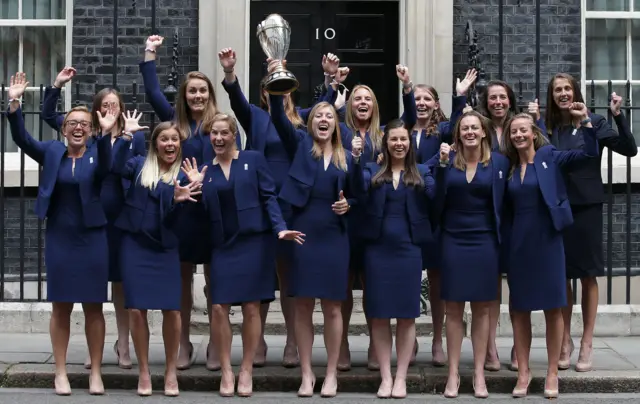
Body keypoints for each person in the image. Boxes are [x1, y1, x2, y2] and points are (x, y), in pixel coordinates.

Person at [216, 48, 339, 367]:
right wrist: (230, 73)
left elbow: (326, 110)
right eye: (272, 87)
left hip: (293, 203)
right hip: (258, 199)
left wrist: (328, 78)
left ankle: (291, 342)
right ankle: (256, 344)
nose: (278, 92)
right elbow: (235, 101)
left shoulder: (301, 118)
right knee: (260, 273)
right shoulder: (255, 116)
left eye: (283, 87)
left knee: (288, 275)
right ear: (266, 92)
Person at [182, 113, 304, 396]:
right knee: (218, 308)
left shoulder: (253, 160)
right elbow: (200, 216)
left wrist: (280, 229)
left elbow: (268, 197)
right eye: (214, 133)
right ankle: (226, 371)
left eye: (224, 133)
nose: (219, 138)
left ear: (234, 135)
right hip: (223, 247)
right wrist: (195, 189)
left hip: (255, 244)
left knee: (252, 308)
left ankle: (246, 370)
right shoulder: (204, 171)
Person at [6, 72, 113, 396]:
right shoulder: (53, 152)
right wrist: (14, 102)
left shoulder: (98, 152)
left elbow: (108, 168)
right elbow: (23, 139)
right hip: (60, 238)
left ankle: (95, 371)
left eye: (84, 123)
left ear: (91, 129)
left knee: (94, 307)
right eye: (72, 124)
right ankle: (61, 372)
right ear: (64, 130)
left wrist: (107, 135)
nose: (78, 127)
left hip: (92, 237)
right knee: (61, 306)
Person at [141, 34, 240, 370]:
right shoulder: (175, 124)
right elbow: (153, 92)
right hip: (182, 210)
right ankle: (182, 343)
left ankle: (215, 342)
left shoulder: (220, 127)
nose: (197, 96)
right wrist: (150, 54)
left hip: (212, 211)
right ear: (185, 97)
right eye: (192, 91)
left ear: (210, 95)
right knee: (181, 279)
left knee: (216, 279)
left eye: (203, 91)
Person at [41, 66, 147, 370]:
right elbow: (50, 117)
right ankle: (94, 349)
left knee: (121, 281)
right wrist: (57, 85)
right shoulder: (86, 133)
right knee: (94, 284)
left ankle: (123, 344)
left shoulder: (133, 136)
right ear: (97, 110)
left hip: (121, 213)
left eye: (115, 105)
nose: (110, 110)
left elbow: (138, 171)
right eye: (105, 105)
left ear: (122, 110)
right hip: (93, 216)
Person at [544, 73, 637, 372]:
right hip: (557, 206)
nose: (563, 94)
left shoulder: (593, 122)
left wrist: (618, 116)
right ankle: (565, 341)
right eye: (557, 90)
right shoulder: (549, 127)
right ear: (552, 95)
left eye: (567, 88)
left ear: (576, 92)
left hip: (586, 206)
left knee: (588, 275)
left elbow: (628, 148)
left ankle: (586, 341)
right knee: (562, 274)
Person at [502, 112, 598, 399]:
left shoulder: (550, 157)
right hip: (519, 243)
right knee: (519, 309)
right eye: (513, 131)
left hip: (548, 242)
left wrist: (587, 123)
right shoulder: (506, 167)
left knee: (553, 309)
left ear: (533, 133)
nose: (518, 135)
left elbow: (589, 154)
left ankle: (552, 372)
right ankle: (524, 373)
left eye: (523, 130)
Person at [110, 119, 202, 397]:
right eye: (164, 139)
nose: (170, 144)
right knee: (136, 309)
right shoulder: (139, 165)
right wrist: (125, 136)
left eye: (174, 139)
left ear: (179, 145)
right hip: (135, 245)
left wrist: (190, 191)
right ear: (155, 144)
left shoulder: (186, 176)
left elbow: (186, 218)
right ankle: (144, 372)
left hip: (166, 248)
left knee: (172, 310)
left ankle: (171, 372)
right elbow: (113, 167)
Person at [351, 119, 435, 398]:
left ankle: (401, 377)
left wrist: (444, 167)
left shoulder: (423, 172)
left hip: (409, 251)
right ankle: (385, 377)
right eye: (393, 139)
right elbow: (357, 191)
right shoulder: (371, 171)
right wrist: (354, 159)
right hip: (377, 251)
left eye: (403, 139)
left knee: (406, 316)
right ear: (385, 144)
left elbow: (439, 197)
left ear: (410, 144)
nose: (398, 144)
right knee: (378, 315)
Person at [433, 111, 510, 398]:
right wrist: (440, 167)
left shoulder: (499, 162)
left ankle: (478, 373)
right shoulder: (446, 161)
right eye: (464, 128)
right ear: (458, 134)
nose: (469, 132)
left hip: (485, 241)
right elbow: (435, 199)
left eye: (474, 127)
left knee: (482, 308)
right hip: (453, 239)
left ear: (483, 132)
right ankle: (452, 374)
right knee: (453, 309)